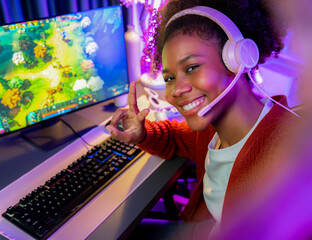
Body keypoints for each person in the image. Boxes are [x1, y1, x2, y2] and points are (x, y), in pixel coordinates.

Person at [106, 0, 301, 238]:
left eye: (191, 67)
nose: (175, 91)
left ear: (237, 60)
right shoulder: (212, 130)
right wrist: (143, 133)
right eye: (169, 78)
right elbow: (176, 138)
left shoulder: (287, 159)